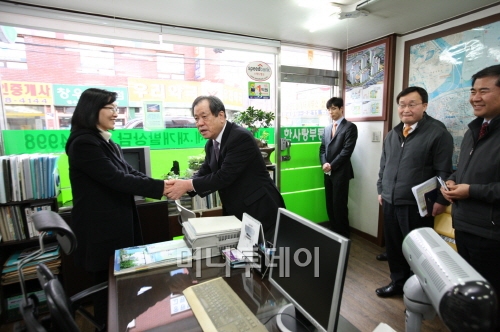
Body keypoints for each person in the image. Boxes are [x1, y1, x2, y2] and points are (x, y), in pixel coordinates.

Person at [65, 88, 168, 327]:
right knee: (108, 294)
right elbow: (119, 180)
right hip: (101, 233)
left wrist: (164, 184)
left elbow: (128, 172)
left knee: (121, 290)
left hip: (115, 227)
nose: (116, 114)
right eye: (110, 108)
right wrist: (163, 188)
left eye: (115, 108)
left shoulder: (106, 142)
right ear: (93, 110)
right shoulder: (84, 143)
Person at [165, 95, 285, 240]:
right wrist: (179, 186)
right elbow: (205, 171)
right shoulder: (211, 143)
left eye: (204, 116)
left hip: (260, 209)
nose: (200, 123)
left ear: (221, 115)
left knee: (267, 257)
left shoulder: (240, 138)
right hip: (236, 209)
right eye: (196, 118)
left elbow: (224, 176)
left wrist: (187, 185)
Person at [376, 86, 453, 297]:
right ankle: (398, 283)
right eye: (402, 105)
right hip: (390, 200)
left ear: (424, 106)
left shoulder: (437, 133)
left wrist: (440, 200)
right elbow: (384, 165)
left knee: (417, 251)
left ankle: (418, 290)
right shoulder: (393, 133)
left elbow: (443, 171)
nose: (406, 109)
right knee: (394, 247)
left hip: (416, 206)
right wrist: (381, 189)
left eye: (412, 104)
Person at [441, 65, 500, 326]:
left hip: (491, 235)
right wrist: (454, 180)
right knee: (467, 297)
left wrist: (471, 191)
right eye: (473, 90)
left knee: (489, 305)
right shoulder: (473, 130)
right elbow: (466, 169)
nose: (475, 97)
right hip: (464, 226)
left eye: (484, 91)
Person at [319, 97, 358, 238]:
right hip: (327, 171)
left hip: (341, 172)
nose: (331, 112)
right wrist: (324, 163)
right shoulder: (327, 128)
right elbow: (322, 148)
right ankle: (333, 230)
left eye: (334, 108)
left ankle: (343, 234)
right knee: (329, 202)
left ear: (342, 109)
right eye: (329, 109)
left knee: (339, 204)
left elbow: (347, 151)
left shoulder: (350, 127)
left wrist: (332, 165)